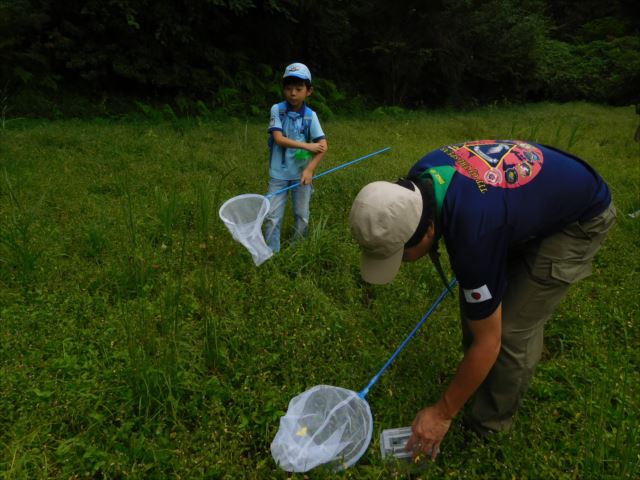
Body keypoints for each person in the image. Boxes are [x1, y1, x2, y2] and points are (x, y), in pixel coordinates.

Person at [349, 140, 616, 459]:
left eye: (399, 254)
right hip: (531, 199)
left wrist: (442, 413)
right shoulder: (420, 178)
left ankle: (490, 427)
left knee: (510, 331)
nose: (402, 262)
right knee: (482, 310)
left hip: (581, 217)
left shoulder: (474, 235)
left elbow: (490, 340)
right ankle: (475, 381)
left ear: (428, 231)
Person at [264, 62, 328, 253]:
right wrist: (306, 145)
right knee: (272, 215)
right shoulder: (277, 110)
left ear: (308, 91)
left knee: (302, 214)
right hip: (278, 174)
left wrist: (309, 170)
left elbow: (323, 147)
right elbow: (278, 138)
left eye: (299, 89)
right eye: (289, 88)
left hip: (302, 175)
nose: (293, 93)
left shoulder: (310, 116)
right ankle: (270, 252)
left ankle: (297, 249)